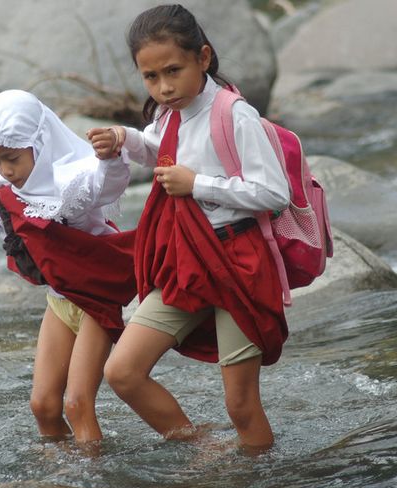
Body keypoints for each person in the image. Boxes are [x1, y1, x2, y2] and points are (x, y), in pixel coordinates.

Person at [87, 4, 290, 452]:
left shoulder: (234, 114)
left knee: (240, 407)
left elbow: (274, 192)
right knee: (122, 372)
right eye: (150, 77)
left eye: (173, 71)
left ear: (203, 56)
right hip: (188, 262)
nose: (163, 87)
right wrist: (126, 139)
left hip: (238, 262)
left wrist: (198, 185)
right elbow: (160, 150)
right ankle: (202, 449)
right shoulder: (166, 113)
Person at [0, 89, 136, 447]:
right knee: (43, 405)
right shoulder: (6, 188)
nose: (5, 170)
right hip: (59, 300)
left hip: (95, 298)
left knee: (77, 404)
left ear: (40, 143)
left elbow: (103, 185)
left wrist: (109, 159)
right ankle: (59, 478)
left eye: (11, 158)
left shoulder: (71, 179)